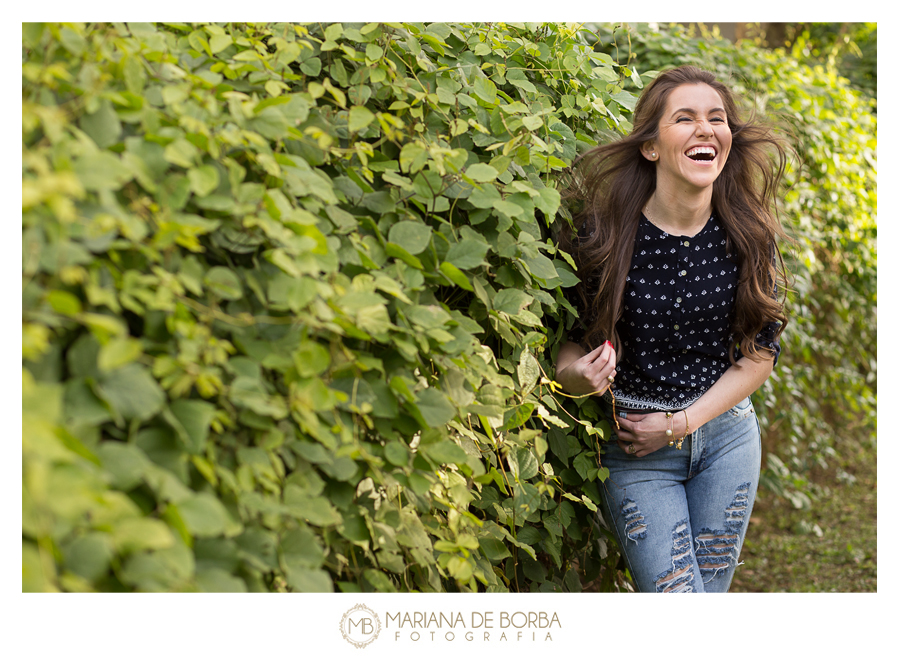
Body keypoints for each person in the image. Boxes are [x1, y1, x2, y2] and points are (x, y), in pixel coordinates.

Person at [555, 65, 790, 593]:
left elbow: (761, 354)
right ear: (651, 147)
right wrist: (575, 377)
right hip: (638, 452)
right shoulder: (605, 235)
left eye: (717, 118)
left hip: (728, 440)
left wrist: (682, 422)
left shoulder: (748, 235)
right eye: (684, 118)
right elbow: (571, 337)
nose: (706, 129)